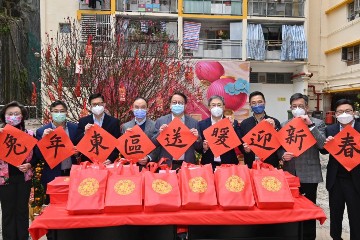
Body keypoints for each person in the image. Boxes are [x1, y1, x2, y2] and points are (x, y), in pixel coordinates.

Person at [279, 93, 326, 240]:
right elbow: (279, 147)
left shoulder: (317, 123)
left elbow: (323, 146)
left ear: (307, 107)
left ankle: (308, 237)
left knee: (308, 210)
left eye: (300, 106)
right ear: (290, 108)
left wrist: (310, 126)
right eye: (294, 107)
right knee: (290, 209)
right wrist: (282, 155)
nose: (297, 109)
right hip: (290, 174)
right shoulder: (284, 125)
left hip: (309, 174)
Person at [321, 99, 360, 240]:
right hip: (336, 179)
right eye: (340, 111)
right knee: (336, 214)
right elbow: (323, 152)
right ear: (335, 114)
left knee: (356, 216)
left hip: (355, 179)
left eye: (348, 111)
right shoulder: (330, 129)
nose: (344, 114)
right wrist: (327, 143)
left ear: (354, 113)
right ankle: (336, 237)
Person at [0, 101, 37, 240]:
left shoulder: (30, 134)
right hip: (4, 179)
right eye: (10, 114)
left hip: (23, 178)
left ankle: (23, 237)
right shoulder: (0, 133)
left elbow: (37, 156)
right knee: (8, 212)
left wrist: (30, 165)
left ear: (22, 116)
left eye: (16, 114)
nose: (13, 116)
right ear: (4, 116)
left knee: (22, 211)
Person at [35, 100, 78, 204]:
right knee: (54, 204)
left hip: (72, 172)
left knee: (73, 202)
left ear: (66, 112)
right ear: (50, 113)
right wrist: (44, 140)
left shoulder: (75, 128)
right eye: (56, 111)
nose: (59, 114)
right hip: (53, 173)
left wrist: (77, 152)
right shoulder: (42, 131)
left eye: (62, 111)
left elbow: (80, 148)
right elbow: (38, 155)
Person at [152, 92, 201, 170]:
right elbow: (153, 144)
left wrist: (197, 138)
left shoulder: (193, 123)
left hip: (187, 165)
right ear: (170, 105)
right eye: (174, 102)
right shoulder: (161, 121)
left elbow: (199, 148)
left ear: (185, 106)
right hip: (166, 165)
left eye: (180, 103)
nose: (177, 105)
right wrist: (160, 134)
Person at [238, 91, 281, 168]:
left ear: (264, 103)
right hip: (251, 165)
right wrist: (245, 150)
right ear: (250, 105)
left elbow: (281, 143)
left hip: (270, 165)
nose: (257, 105)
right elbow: (240, 144)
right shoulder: (244, 124)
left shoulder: (274, 122)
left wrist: (275, 128)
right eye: (254, 103)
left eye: (260, 102)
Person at [76, 93, 121, 164]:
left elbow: (118, 143)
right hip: (89, 162)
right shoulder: (83, 121)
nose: (97, 106)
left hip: (107, 162)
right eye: (94, 104)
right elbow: (77, 142)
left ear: (104, 105)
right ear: (90, 106)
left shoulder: (114, 122)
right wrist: (85, 133)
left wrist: (111, 159)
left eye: (100, 104)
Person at [198, 95, 239, 170]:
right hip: (209, 166)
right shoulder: (201, 124)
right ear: (209, 108)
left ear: (223, 107)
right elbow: (198, 147)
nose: (216, 107)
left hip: (228, 165)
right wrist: (204, 148)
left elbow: (239, 141)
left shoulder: (232, 123)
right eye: (213, 105)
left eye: (219, 105)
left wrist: (232, 127)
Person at [121, 97, 159, 167]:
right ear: (132, 109)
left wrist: (148, 157)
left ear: (147, 109)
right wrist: (125, 138)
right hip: (131, 166)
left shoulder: (155, 126)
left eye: (143, 107)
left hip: (149, 167)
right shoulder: (125, 126)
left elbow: (158, 146)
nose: (139, 110)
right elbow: (122, 149)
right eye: (137, 107)